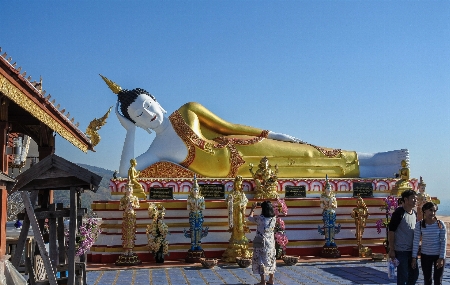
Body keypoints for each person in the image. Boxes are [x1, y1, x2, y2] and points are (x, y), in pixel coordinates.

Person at [101, 75, 409, 179]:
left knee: (310, 154)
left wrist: (270, 134)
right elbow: (122, 174)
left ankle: (374, 156)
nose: (148, 114)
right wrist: (127, 133)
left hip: (246, 145)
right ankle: (380, 171)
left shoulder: (187, 110)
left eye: (147, 105)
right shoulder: (157, 149)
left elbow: (228, 126)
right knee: (307, 171)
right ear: (138, 124)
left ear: (156, 100)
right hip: (242, 172)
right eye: (139, 116)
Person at [412, 202, 447, 285]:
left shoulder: (440, 224)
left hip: (438, 256)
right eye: (430, 210)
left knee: (438, 280)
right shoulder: (419, 225)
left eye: (434, 210)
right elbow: (416, 242)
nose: (433, 213)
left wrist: (441, 257)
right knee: (427, 279)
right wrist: (414, 257)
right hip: (426, 255)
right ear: (424, 211)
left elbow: (443, 241)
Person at [388, 189, 419, 285]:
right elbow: (391, 231)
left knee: (414, 275)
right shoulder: (399, 213)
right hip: (401, 250)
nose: (415, 200)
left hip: (412, 251)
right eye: (413, 198)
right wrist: (392, 249)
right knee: (403, 277)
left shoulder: (414, 213)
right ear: (405, 200)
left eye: (416, 198)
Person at [248, 200, 276, 285]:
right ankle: (271, 279)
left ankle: (263, 281)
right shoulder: (273, 218)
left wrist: (252, 209)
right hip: (271, 242)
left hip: (261, 241)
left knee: (261, 260)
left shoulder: (261, 218)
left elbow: (250, 218)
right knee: (270, 260)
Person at [320, 178, 339, 246]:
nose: (329, 189)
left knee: (332, 226)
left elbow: (336, 205)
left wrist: (332, 205)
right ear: (324, 189)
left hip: (332, 212)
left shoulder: (333, 197)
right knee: (327, 226)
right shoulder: (323, 197)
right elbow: (321, 205)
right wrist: (326, 206)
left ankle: (332, 240)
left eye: (330, 188)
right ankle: (327, 240)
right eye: (327, 188)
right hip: (326, 212)